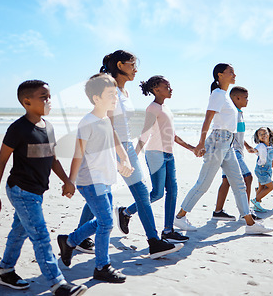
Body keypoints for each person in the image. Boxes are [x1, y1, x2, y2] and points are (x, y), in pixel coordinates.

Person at [0, 80, 87, 296]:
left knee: (19, 231)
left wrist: (67, 181)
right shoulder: (18, 129)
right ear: (26, 101)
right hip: (21, 191)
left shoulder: (49, 127)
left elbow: (52, 159)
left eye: (49, 96)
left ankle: (5, 272)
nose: (49, 101)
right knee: (40, 236)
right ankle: (57, 283)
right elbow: (1, 162)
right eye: (44, 97)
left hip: (37, 191)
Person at [173, 63, 273, 235]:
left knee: (239, 183)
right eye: (231, 72)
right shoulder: (218, 94)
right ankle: (180, 216)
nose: (235, 75)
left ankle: (249, 223)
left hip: (227, 143)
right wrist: (200, 143)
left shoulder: (224, 95)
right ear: (220, 75)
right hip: (218, 142)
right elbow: (208, 119)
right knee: (203, 183)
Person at [101, 50, 183, 258]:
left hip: (125, 147)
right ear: (120, 65)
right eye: (132, 65)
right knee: (137, 193)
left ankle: (74, 238)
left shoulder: (125, 92)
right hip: (115, 148)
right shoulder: (109, 89)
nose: (136, 69)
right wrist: (125, 153)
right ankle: (154, 241)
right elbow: (108, 125)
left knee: (103, 193)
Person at [57, 74, 133, 283]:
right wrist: (70, 181)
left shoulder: (105, 119)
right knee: (107, 223)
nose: (115, 97)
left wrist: (124, 159)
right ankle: (102, 266)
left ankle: (69, 241)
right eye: (110, 94)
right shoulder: (87, 122)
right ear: (96, 98)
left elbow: (114, 140)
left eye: (115, 93)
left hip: (106, 178)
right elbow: (78, 154)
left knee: (101, 220)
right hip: (90, 181)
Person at [132, 75, 196, 243]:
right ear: (156, 89)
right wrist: (133, 156)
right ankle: (126, 212)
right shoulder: (152, 108)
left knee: (172, 191)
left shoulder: (165, 108)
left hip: (169, 155)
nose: (170, 88)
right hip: (155, 154)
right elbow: (145, 133)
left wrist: (192, 148)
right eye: (167, 86)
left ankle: (168, 230)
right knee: (157, 193)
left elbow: (172, 135)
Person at [212, 86, 256, 221]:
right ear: (237, 98)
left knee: (226, 181)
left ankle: (218, 211)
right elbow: (228, 133)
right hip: (232, 152)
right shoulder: (233, 114)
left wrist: (247, 146)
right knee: (248, 178)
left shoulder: (239, 113)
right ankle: (245, 213)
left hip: (235, 151)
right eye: (246, 97)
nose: (248, 100)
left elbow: (238, 135)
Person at [250, 127, 273, 212]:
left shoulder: (270, 145)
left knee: (261, 187)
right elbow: (254, 150)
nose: (263, 135)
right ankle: (256, 200)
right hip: (262, 170)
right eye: (260, 134)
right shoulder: (261, 146)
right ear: (258, 137)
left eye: (265, 133)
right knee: (270, 187)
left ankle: (256, 206)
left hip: (267, 169)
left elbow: (271, 155)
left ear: (269, 133)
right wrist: (248, 147)